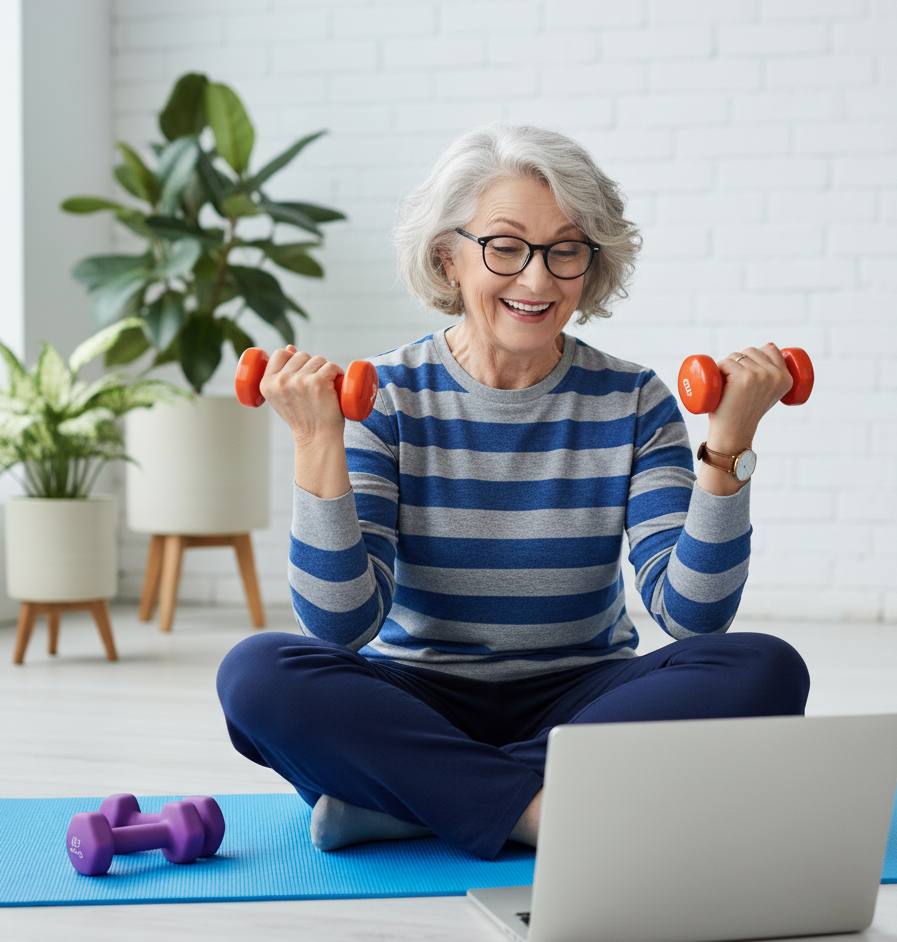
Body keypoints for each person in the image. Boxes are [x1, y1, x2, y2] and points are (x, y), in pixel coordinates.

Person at [216, 124, 810, 861]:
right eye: (505, 247)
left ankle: (416, 800)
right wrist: (316, 440)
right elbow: (341, 628)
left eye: (565, 250)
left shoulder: (634, 399)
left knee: (766, 668)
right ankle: (542, 807)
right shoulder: (385, 398)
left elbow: (693, 615)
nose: (537, 280)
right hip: (417, 695)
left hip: (584, 698)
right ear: (448, 257)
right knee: (257, 675)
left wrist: (730, 441)